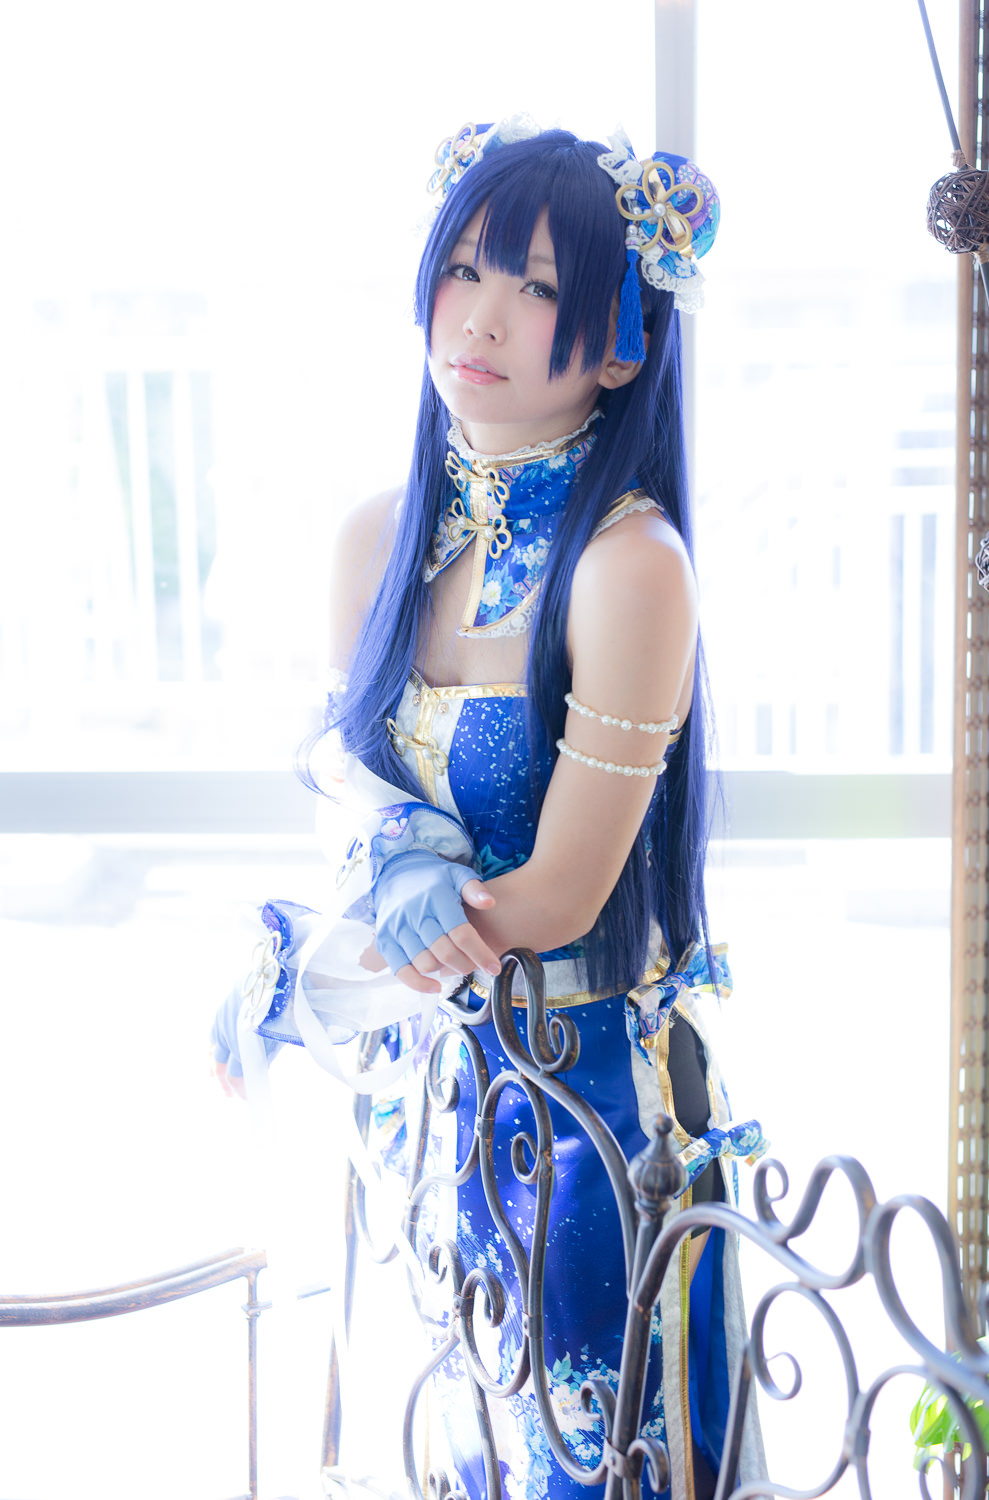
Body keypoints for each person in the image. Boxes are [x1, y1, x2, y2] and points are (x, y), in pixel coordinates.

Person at [212, 120, 766, 1499]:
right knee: (434, 1451)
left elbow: (557, 899)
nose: (481, 315)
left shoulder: (632, 567)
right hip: (424, 1094)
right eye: (463, 268)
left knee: (586, 1457)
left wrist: (311, 974)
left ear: (618, 345)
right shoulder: (374, 535)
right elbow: (347, 784)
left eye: (536, 286)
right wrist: (391, 856)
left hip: (588, 1118)